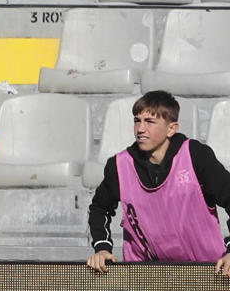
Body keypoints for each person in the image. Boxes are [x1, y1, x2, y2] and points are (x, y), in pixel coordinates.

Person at [87, 90, 230, 275]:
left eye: (150, 122)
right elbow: (99, 208)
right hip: (146, 276)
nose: (140, 129)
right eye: (137, 120)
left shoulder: (196, 156)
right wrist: (102, 248)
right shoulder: (119, 166)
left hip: (206, 272)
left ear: (171, 129)